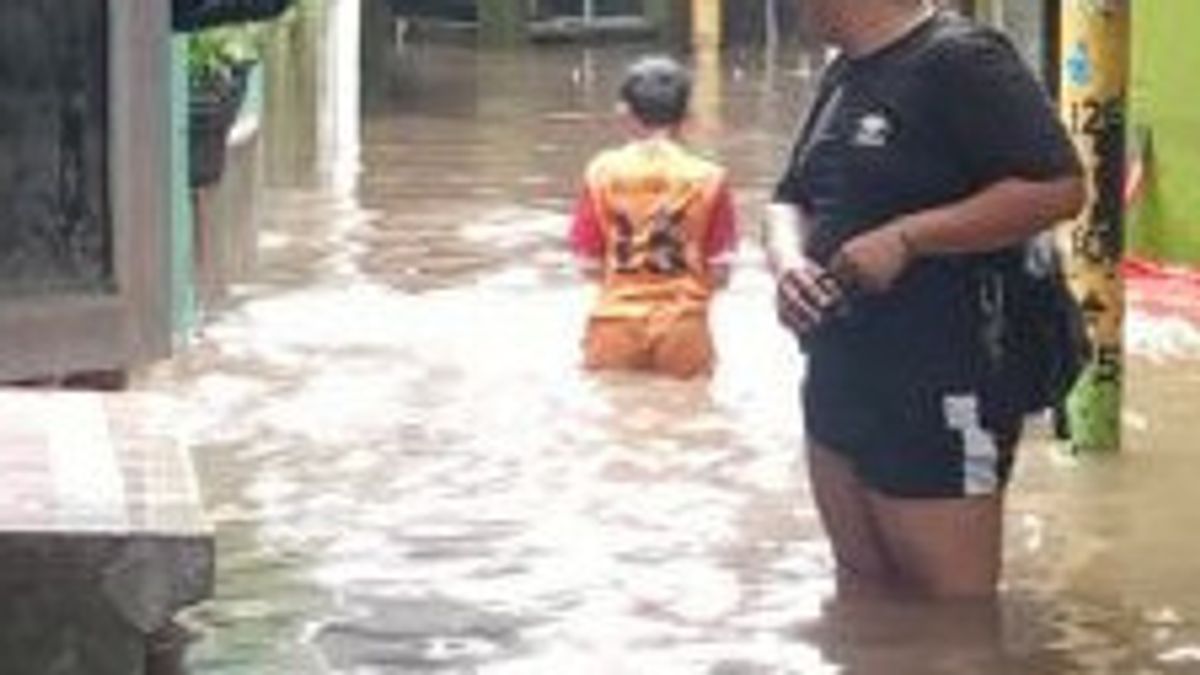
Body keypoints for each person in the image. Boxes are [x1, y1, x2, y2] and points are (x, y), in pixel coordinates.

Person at [763, 0, 1085, 598]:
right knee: (862, 590)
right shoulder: (845, 72)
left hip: (943, 377)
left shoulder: (961, 60)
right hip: (840, 370)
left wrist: (909, 238)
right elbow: (789, 197)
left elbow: (1059, 188)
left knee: (951, 617)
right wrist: (788, 263)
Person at [570, 55, 739, 379]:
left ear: (624, 113)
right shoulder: (709, 177)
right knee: (689, 417)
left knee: (612, 419)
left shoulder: (601, 173)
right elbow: (720, 271)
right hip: (684, 325)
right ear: (687, 117)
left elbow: (587, 263)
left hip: (614, 322)